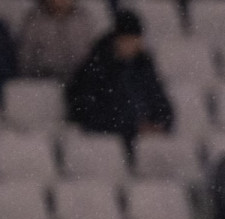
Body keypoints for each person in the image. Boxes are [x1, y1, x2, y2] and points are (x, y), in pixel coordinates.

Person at [65, 10, 173, 155]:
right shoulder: (95, 66)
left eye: (135, 40)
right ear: (116, 39)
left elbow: (162, 104)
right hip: (108, 141)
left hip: (143, 139)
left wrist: (159, 123)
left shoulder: (144, 66)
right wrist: (130, 127)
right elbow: (86, 111)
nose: (131, 45)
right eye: (127, 40)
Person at [17, 0, 97, 80]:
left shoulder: (84, 18)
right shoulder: (34, 20)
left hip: (79, 80)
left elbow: (92, 53)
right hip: (42, 81)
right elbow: (25, 59)